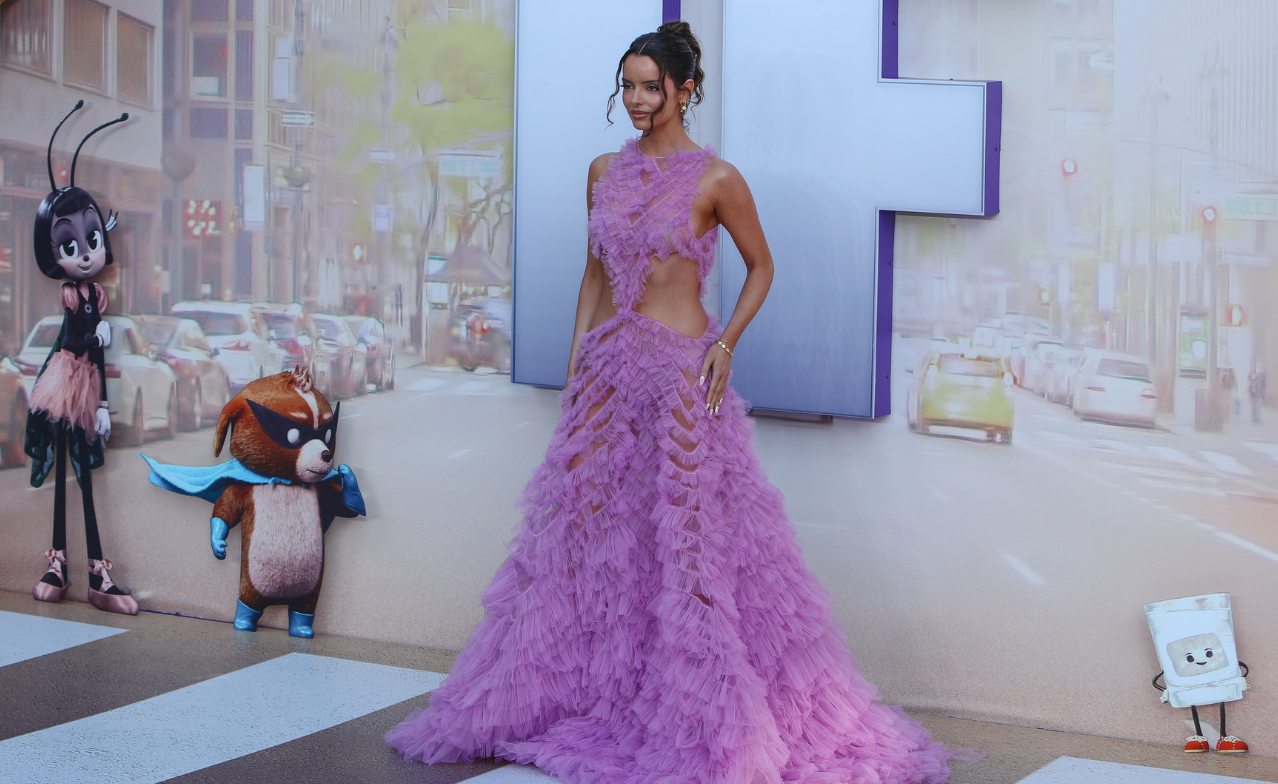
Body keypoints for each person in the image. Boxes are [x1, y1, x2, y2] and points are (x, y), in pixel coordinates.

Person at [387, 22, 971, 783]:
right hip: (606, 377)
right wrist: (576, 376)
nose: (634, 100)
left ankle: (701, 714)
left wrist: (724, 343)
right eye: (627, 85)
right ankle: (592, 695)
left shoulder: (716, 179)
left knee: (689, 547)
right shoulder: (602, 171)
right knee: (593, 545)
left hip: (679, 378)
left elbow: (762, 266)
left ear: (685, 90)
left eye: (649, 87)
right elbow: (594, 278)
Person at [23, 102, 138, 616]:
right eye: (71, 243)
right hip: (68, 380)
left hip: (87, 384)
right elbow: (77, 345)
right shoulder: (75, 299)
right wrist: (97, 338)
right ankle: (60, 564)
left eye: (92, 238)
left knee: (84, 477)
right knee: (69, 480)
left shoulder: (96, 299)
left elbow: (100, 357)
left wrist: (108, 406)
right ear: (54, 252)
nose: (87, 252)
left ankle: (96, 570)